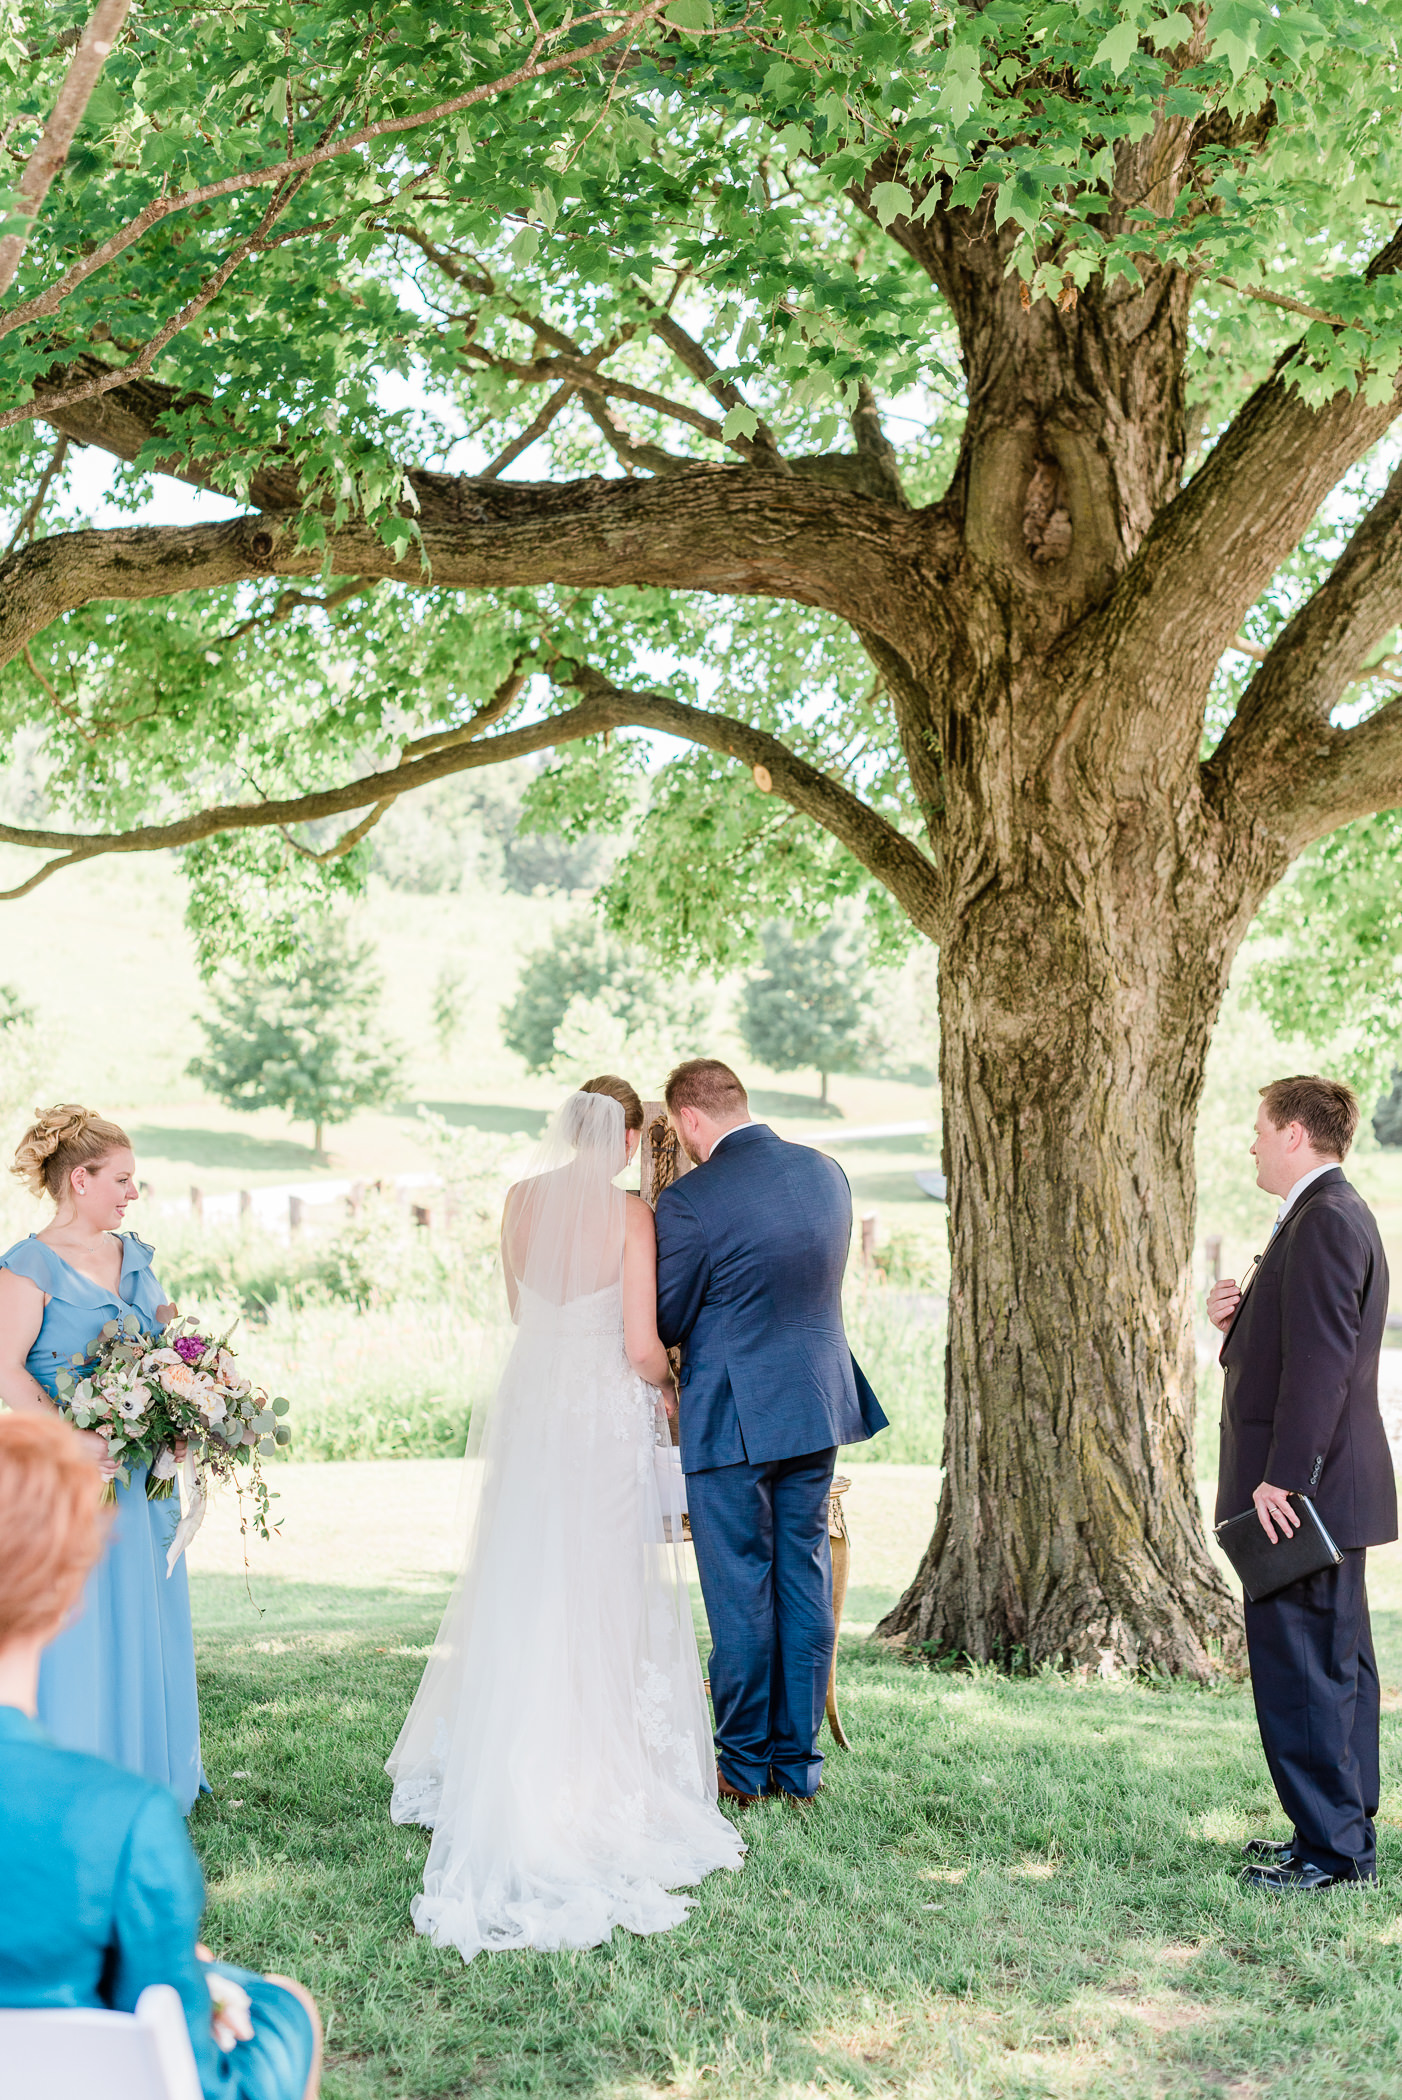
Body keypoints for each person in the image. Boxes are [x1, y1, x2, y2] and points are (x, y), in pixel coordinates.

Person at [386, 1075, 744, 1962]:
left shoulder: (517, 1202)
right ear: (625, 1139)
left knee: (524, 1570)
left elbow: (522, 1304)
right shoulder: (629, 1218)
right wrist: (672, 1379)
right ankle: (589, 1770)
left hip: (534, 1404)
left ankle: (508, 1745)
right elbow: (635, 1346)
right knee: (601, 1579)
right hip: (601, 1417)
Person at [0, 1410, 322, 2099]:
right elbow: (180, 2050)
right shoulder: (122, 1818)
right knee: (286, 2007)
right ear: (65, 1595)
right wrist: (198, 1982)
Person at [654, 1059, 887, 1809]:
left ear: (690, 1118)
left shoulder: (692, 1199)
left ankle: (743, 1765)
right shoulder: (828, 1175)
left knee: (740, 1591)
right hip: (817, 1403)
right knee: (803, 1579)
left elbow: (666, 1315)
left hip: (732, 1412)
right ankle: (799, 1764)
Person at [1208, 1074, 1396, 1892]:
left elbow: (1320, 1365)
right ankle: (1336, 1832)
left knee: (1306, 1673)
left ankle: (1331, 1855)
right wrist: (1237, 1319)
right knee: (1336, 1666)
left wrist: (1284, 1479)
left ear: (1294, 1134)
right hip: (1326, 1489)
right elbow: (1303, 1340)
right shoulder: (1329, 1214)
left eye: (1258, 1128)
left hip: (1302, 1496)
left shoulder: (1323, 1220)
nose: (1250, 1141)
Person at [0, 1104, 204, 1809]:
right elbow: (6, 1373)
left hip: (145, 1475)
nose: (132, 1194)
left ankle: (155, 1770)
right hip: (74, 1475)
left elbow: (177, 1349)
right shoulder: (28, 1268)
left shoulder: (138, 1256)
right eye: (121, 1179)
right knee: (84, 1622)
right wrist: (73, 1438)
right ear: (79, 1179)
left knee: (148, 1614)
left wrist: (187, 1411)